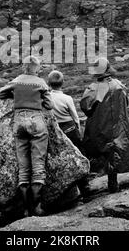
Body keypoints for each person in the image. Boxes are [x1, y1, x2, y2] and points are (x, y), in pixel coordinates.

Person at [0, 56, 53, 216]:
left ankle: (26, 210)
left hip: (19, 121)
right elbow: (50, 105)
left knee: (23, 168)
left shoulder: (16, 80)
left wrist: (14, 96)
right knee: (38, 165)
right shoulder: (40, 82)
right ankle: (37, 208)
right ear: (36, 68)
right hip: (36, 121)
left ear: (24, 67)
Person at [80, 58, 129, 193]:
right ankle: (113, 182)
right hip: (118, 125)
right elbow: (126, 103)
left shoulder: (94, 88)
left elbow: (85, 107)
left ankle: (88, 185)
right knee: (114, 151)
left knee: (95, 150)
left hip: (100, 125)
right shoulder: (119, 85)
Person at [48, 70, 90, 198]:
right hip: (70, 128)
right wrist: (78, 129)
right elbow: (75, 117)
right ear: (63, 83)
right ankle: (85, 185)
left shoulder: (46, 97)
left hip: (55, 129)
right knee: (79, 153)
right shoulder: (67, 98)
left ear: (48, 83)